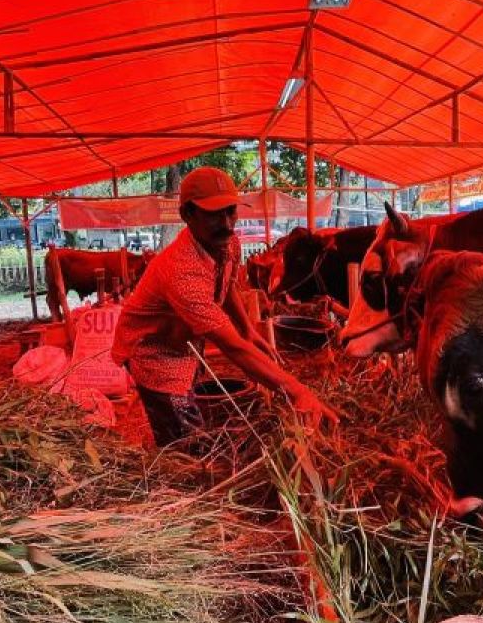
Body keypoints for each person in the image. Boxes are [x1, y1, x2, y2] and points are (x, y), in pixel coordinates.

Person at [112, 166, 338, 447]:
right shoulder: (181, 270)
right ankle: (174, 473)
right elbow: (231, 348)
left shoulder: (229, 244)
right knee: (184, 443)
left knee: (191, 414)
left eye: (231, 211)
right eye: (214, 214)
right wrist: (295, 390)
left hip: (182, 342)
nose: (228, 223)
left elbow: (227, 281)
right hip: (154, 354)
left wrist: (247, 330)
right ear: (187, 215)